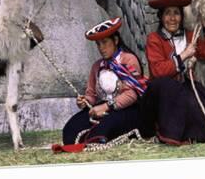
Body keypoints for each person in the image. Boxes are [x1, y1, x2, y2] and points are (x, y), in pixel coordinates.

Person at [139, 0, 205, 145]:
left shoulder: (189, 37)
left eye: (176, 13)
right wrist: (184, 55)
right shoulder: (154, 39)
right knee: (166, 85)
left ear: (182, 17)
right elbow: (158, 71)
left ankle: (187, 134)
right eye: (168, 13)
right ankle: (169, 134)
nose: (172, 18)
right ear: (161, 17)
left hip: (186, 88)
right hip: (161, 94)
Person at [61, 17, 147, 147]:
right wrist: (85, 101)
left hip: (126, 109)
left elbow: (132, 94)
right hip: (101, 108)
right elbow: (91, 94)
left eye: (105, 42)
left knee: (103, 130)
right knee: (69, 130)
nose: (101, 48)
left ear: (116, 40)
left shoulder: (128, 60)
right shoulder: (97, 66)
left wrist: (106, 107)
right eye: (98, 44)